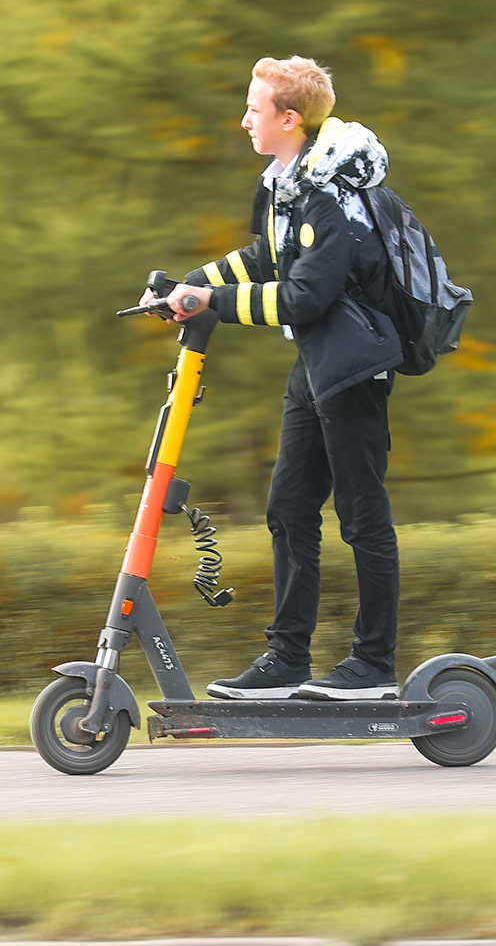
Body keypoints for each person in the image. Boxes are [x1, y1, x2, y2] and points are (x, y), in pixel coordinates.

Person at [153, 56, 406, 701]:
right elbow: (267, 257)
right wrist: (190, 284)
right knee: (289, 508)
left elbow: (302, 298)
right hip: (314, 363)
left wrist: (214, 303)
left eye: (253, 109)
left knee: (361, 516)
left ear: (289, 119)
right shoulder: (281, 184)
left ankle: (373, 665)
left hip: (353, 367)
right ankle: (288, 659)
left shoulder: (329, 198)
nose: (244, 121)